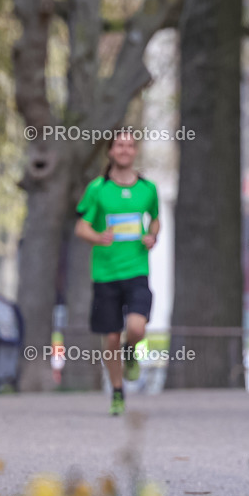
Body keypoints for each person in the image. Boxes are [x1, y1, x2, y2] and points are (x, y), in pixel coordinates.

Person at [74, 130, 160, 416]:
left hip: (136, 271)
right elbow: (80, 227)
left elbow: (156, 220)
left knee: (136, 328)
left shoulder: (148, 189)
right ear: (110, 151)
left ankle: (132, 352)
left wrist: (152, 236)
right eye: (119, 145)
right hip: (106, 274)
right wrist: (97, 237)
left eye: (130, 146)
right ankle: (118, 391)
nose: (125, 150)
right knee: (110, 337)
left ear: (135, 152)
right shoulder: (98, 189)